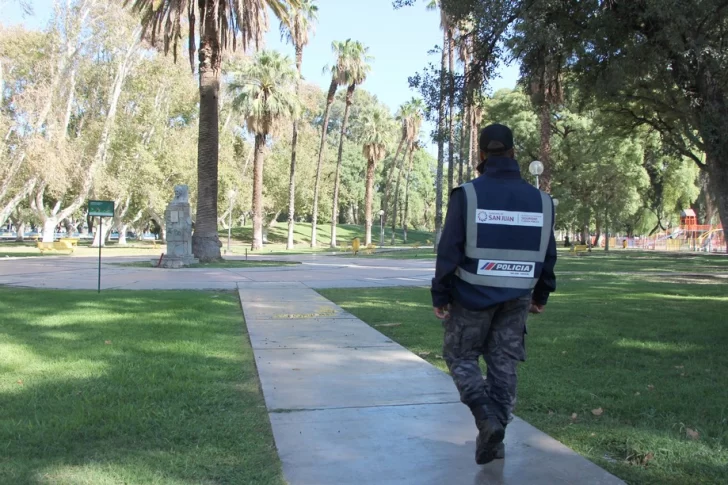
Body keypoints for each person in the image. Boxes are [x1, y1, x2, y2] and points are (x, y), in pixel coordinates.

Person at [431, 123, 557, 465]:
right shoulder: (542, 201)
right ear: (514, 153)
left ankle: (486, 419)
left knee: (460, 356)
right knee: (504, 364)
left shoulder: (467, 195)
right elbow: (548, 255)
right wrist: (541, 295)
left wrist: (440, 294)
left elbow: (449, 249)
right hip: (517, 298)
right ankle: (495, 437)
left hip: (471, 296)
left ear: (481, 155)